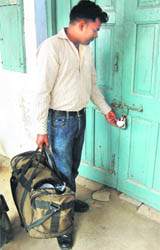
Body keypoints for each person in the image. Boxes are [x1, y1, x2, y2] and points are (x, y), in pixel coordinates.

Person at [35, 0, 117, 248]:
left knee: (72, 170)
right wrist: (40, 129)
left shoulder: (85, 49)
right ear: (81, 24)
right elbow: (41, 91)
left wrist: (106, 110)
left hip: (80, 118)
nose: (96, 34)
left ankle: (68, 203)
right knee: (61, 175)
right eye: (94, 30)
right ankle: (63, 224)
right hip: (58, 122)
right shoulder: (52, 48)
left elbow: (91, 86)